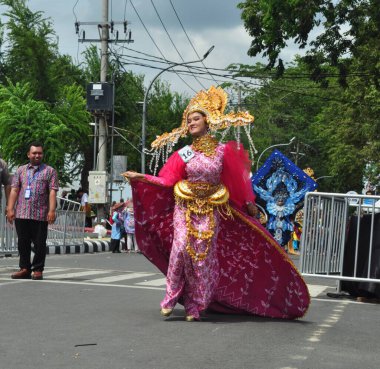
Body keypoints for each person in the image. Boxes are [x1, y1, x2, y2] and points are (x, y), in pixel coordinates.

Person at [123, 86, 310, 322]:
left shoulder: (223, 153)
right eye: (188, 120)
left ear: (207, 120)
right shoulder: (184, 154)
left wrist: (248, 204)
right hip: (185, 208)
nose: (191, 123)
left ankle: (195, 304)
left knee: (202, 259)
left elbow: (236, 185)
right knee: (180, 248)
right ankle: (171, 295)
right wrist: (142, 178)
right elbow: (168, 181)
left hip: (212, 211)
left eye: (195, 118)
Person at [6, 141, 59, 280]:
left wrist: (52, 211)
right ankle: (24, 268)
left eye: (39, 153)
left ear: (43, 154)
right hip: (22, 213)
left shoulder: (50, 171)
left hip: (40, 214)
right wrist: (10, 208)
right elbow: (14, 190)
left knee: (40, 243)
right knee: (22, 243)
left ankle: (38, 269)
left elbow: (52, 192)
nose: (37, 155)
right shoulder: (20, 170)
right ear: (28, 154)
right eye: (34, 153)